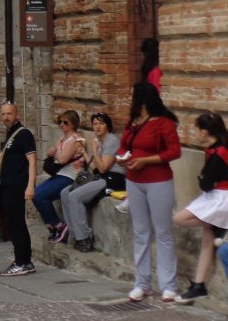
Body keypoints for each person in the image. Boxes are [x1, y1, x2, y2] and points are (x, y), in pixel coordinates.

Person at [118, 82, 181, 302]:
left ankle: (169, 285)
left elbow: (175, 151)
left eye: (133, 95)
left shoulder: (163, 122)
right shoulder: (133, 122)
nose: (129, 98)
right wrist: (123, 158)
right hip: (133, 181)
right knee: (140, 232)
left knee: (163, 232)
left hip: (159, 181)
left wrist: (146, 160)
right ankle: (142, 283)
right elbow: (123, 146)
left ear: (143, 98)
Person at [172, 111, 228, 303]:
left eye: (198, 130)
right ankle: (199, 285)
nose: (197, 134)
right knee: (206, 244)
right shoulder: (217, 149)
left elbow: (205, 183)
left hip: (220, 198)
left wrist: (204, 180)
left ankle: (221, 227)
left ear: (205, 132)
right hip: (216, 196)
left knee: (179, 218)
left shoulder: (218, 153)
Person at [0, 101, 37, 276]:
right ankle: (24, 261)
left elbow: (32, 161)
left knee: (17, 223)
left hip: (17, 186)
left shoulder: (24, 134)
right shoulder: (11, 135)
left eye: (9, 114)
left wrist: (30, 185)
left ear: (17, 115)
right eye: (3, 114)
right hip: (8, 185)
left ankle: (22, 261)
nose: (6, 117)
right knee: (14, 223)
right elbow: (12, 161)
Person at [60, 112, 126, 252]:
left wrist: (94, 150)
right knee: (65, 192)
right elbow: (95, 168)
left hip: (113, 179)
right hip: (101, 177)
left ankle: (84, 238)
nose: (97, 126)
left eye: (101, 123)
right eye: (95, 123)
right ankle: (74, 234)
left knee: (75, 196)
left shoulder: (112, 140)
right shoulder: (100, 141)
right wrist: (84, 152)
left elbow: (103, 169)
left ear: (107, 126)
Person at [33, 110, 82, 243]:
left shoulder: (76, 139)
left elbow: (62, 159)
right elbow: (57, 156)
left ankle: (60, 226)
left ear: (73, 124)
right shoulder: (62, 139)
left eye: (65, 122)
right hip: (60, 174)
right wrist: (54, 152)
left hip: (70, 176)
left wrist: (57, 151)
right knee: (34, 194)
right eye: (60, 121)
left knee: (41, 196)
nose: (61, 125)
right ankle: (53, 227)